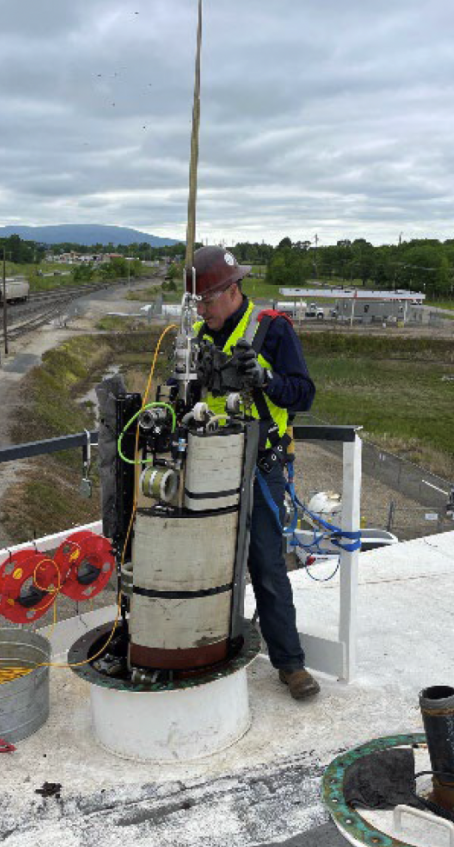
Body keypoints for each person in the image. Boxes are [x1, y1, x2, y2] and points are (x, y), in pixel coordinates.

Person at [185, 246, 319, 700]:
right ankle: (206, 649)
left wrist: (264, 378)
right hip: (210, 464)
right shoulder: (202, 338)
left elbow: (302, 394)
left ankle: (290, 664)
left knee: (265, 563)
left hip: (261, 465)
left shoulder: (270, 330)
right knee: (207, 562)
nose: (202, 310)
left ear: (231, 290)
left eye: (206, 300)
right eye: (199, 304)